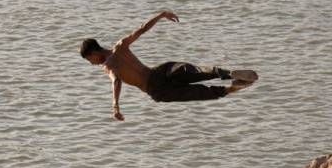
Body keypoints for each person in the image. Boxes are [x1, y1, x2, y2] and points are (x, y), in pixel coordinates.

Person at [80, 11, 258, 121]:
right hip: (160, 72)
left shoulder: (108, 65)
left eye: (90, 60)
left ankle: (231, 88)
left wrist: (115, 106)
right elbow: (140, 30)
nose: (92, 64)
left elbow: (116, 80)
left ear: (93, 53)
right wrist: (161, 15)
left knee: (199, 93)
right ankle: (228, 73)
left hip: (156, 89)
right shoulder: (121, 46)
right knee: (197, 72)